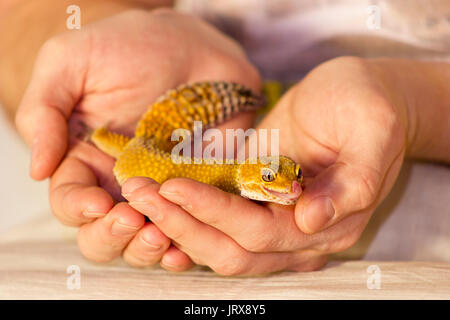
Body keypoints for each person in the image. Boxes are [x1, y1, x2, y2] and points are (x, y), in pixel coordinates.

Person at [2, 0, 449, 275]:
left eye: (287, 176)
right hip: (157, 125)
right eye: (277, 177)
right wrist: (88, 29)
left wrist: (410, 103)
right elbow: (20, 13)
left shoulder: (240, 174)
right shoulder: (224, 176)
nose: (291, 186)